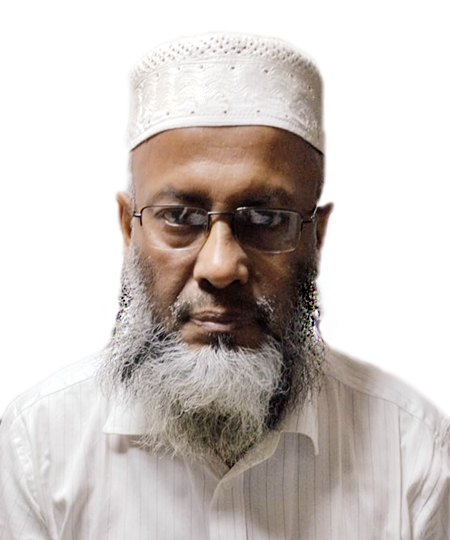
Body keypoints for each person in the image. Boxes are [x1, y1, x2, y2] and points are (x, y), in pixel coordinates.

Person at [0, 32, 448, 540]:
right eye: (180, 217)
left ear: (315, 236)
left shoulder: (411, 450)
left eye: (266, 218)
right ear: (128, 227)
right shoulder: (38, 446)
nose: (220, 266)